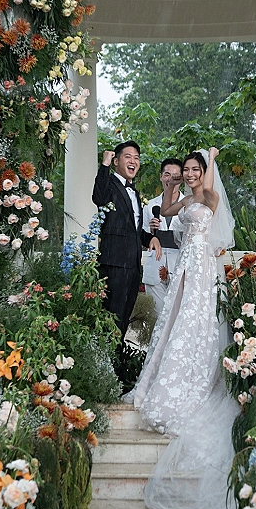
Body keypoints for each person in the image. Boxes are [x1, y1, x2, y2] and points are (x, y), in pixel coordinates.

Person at [126, 148, 240, 509]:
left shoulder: (209, 198)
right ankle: (167, 379)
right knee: (176, 326)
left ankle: (195, 381)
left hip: (203, 268)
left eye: (195, 171)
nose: (191, 175)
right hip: (185, 268)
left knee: (196, 325)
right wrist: (171, 185)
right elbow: (168, 210)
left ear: (205, 174)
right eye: (187, 170)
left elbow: (206, 190)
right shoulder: (187, 199)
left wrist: (209, 158)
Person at [92, 141, 162, 371]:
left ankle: (114, 369)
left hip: (132, 266)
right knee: (110, 319)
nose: (133, 161)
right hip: (114, 264)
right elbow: (99, 197)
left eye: (137, 158)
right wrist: (103, 166)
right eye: (128, 157)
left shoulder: (134, 191)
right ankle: (104, 370)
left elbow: (131, 229)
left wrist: (148, 238)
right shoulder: (110, 184)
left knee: (122, 320)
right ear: (116, 161)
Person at [142, 157, 183, 317]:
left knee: (178, 318)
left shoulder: (189, 205)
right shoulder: (150, 206)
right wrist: (151, 233)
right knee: (157, 319)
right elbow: (144, 241)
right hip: (155, 267)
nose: (170, 179)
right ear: (161, 176)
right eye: (167, 174)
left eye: (175, 175)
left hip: (180, 267)